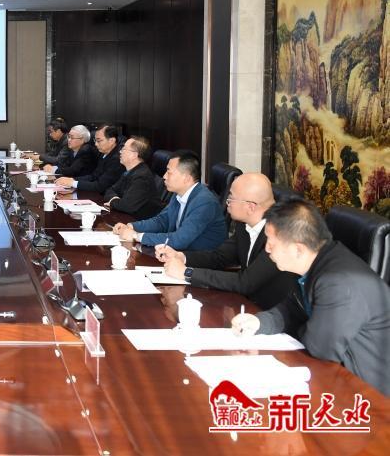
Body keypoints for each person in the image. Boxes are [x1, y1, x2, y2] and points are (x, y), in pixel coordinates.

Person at [231, 199, 390, 396]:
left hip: (368, 398)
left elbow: (319, 349)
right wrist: (258, 322)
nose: (267, 249)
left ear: (298, 249)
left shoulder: (339, 282)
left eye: (271, 243)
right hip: (333, 379)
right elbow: (292, 309)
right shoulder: (313, 264)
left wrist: (303, 326)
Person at [157, 173, 297, 309]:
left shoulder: (279, 236)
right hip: (245, 304)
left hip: (274, 313)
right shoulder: (244, 224)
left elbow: (245, 283)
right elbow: (219, 257)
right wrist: (181, 256)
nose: (227, 202)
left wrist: (187, 273)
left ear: (250, 207)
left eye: (231, 198)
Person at [112, 150, 226, 251]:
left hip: (199, 260)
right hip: (179, 253)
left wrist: (136, 236)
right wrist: (131, 226)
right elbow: (162, 221)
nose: (164, 176)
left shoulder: (204, 202)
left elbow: (180, 239)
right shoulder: (179, 193)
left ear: (186, 178)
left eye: (169, 172)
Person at [102, 136, 162, 219]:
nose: (120, 151)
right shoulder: (130, 171)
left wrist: (112, 201)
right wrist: (116, 200)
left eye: (124, 149)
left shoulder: (142, 177)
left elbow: (126, 206)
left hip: (139, 221)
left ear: (134, 155)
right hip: (126, 218)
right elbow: (109, 190)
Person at [56, 124, 124, 192]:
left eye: (99, 141)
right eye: (95, 140)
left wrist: (73, 183)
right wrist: (72, 180)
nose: (96, 144)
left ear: (111, 141)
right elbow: (93, 176)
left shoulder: (117, 159)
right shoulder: (103, 153)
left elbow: (100, 186)